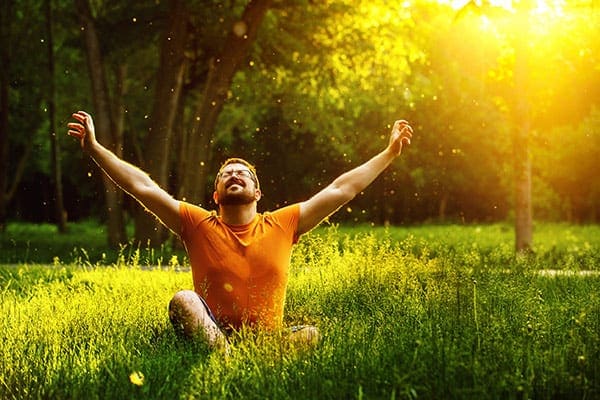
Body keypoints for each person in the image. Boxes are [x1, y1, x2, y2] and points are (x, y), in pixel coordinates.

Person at [67, 110, 413, 350]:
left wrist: (388, 154)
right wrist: (95, 149)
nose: (234, 175)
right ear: (216, 194)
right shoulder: (196, 223)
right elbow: (143, 187)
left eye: (243, 174)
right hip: (211, 331)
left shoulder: (283, 223)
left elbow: (342, 189)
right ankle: (227, 357)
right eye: (225, 175)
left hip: (267, 340)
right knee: (183, 300)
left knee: (310, 334)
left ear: (258, 193)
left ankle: (246, 358)